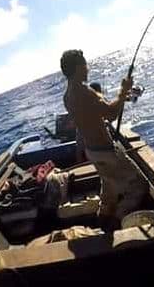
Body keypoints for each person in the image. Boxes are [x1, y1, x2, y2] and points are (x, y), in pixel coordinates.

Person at [60, 49, 149, 230]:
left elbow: (92, 114)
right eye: (84, 64)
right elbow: (111, 114)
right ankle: (118, 221)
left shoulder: (67, 96)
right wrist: (123, 91)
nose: (87, 68)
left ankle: (102, 221)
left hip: (92, 152)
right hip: (106, 151)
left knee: (108, 190)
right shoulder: (85, 92)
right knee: (139, 186)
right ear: (77, 68)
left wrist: (119, 96)